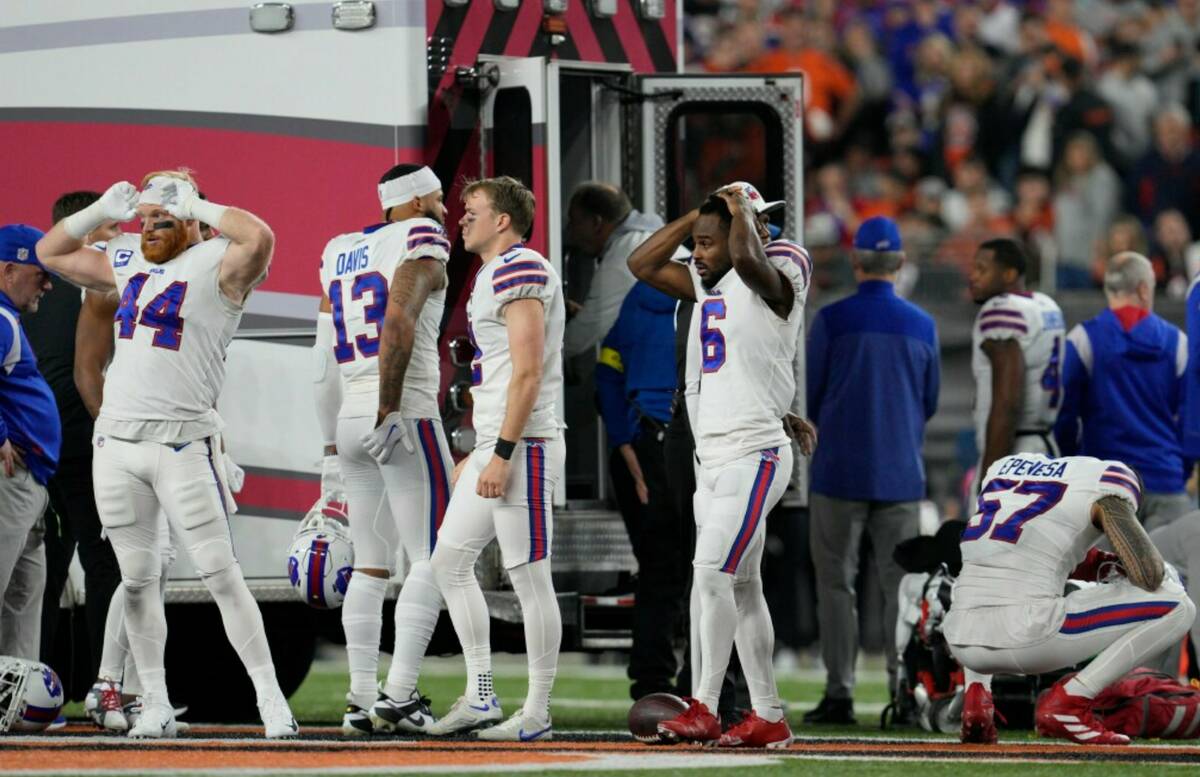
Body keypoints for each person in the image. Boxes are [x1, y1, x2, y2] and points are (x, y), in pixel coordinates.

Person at [35, 170, 297, 738]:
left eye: (164, 217)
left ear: (192, 222)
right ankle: (151, 699)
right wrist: (99, 209)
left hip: (181, 442)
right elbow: (49, 251)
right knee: (136, 580)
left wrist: (200, 202)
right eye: (145, 217)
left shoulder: (218, 264)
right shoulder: (126, 258)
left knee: (221, 575)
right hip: (118, 444)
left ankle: (271, 699)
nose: (149, 226)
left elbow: (261, 238)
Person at [628, 184, 814, 749]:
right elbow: (642, 263)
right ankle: (769, 714)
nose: (702, 253)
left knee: (710, 574)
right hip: (710, 456)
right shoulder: (707, 284)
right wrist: (696, 221)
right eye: (699, 244)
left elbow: (756, 268)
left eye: (712, 242)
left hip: (753, 454)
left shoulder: (782, 263)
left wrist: (738, 216)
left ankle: (705, 705)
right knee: (742, 587)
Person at [313, 164, 453, 736]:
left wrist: (329, 449)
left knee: (371, 565)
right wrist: (391, 406)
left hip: (348, 414)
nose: (447, 208)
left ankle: (361, 697)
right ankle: (398, 695)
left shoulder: (339, 249)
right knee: (435, 556)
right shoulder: (422, 235)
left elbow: (322, 360)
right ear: (417, 199)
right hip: (399, 409)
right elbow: (398, 318)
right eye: (440, 197)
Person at [426, 176, 565, 742]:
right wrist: (482, 447)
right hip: (500, 442)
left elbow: (528, 371)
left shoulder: (517, 267)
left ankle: (537, 711)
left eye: (473, 210)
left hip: (525, 443)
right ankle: (481, 695)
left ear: (502, 220)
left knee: (529, 577)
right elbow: (503, 371)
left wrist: (502, 452)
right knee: (448, 563)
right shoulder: (495, 271)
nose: (461, 218)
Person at [944, 452, 1195, 745]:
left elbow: (1021, 550)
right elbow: (1148, 573)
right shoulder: (1108, 485)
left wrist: (1102, 564)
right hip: (1028, 636)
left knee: (988, 579)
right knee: (1177, 604)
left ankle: (977, 700)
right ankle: (1071, 701)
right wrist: (1124, 561)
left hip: (960, 639)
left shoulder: (1004, 471)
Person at [804, 217, 939, 725]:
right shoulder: (922, 325)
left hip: (838, 471)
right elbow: (928, 402)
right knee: (900, 590)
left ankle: (839, 692)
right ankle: (903, 694)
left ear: (855, 262)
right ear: (900, 264)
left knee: (836, 584)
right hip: (900, 473)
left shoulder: (831, 320)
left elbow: (810, 395)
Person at [21, 193, 122, 691]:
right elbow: (87, 375)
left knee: (43, 572)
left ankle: (27, 687)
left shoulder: (30, 292)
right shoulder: (92, 285)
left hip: (38, 449)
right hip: (82, 442)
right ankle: (108, 688)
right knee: (105, 565)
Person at [594, 279, 686, 701]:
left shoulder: (640, 294)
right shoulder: (724, 295)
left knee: (657, 571)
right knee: (713, 569)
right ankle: (710, 685)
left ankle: (651, 683)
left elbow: (607, 370)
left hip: (644, 438)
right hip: (691, 439)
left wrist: (623, 441)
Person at [1055, 252, 1189, 531]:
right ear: (1143, 288)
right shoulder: (1178, 343)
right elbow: (1191, 418)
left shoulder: (1083, 339)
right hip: (1166, 482)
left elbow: (1063, 415)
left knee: (1099, 574)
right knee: (1171, 573)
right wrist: (1180, 468)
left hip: (1103, 487)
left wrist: (1074, 462)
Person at [0, 225, 60, 660]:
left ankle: (17, 704)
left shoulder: (9, 320)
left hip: (29, 479)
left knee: (23, 597)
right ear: (8, 270)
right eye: (39, 272)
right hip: (9, 480)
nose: (48, 282)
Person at [967, 238, 1066, 485]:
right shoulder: (1045, 305)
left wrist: (990, 478)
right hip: (1045, 450)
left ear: (1009, 274)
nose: (973, 276)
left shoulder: (1002, 309)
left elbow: (1007, 402)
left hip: (1013, 454)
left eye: (982, 269)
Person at [562, 183, 666, 359]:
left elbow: (585, 332)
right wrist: (584, 313)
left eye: (574, 222)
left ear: (596, 223)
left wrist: (532, 356)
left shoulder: (624, 254)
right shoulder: (644, 239)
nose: (570, 233)